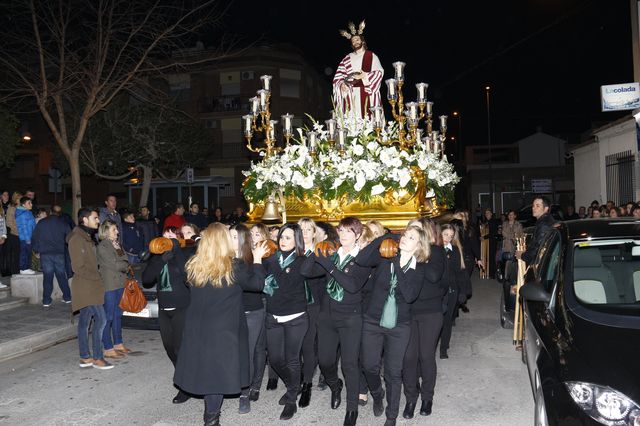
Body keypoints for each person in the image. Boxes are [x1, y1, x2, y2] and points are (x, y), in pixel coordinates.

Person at [173, 223, 266, 426]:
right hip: (223, 330)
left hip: (198, 327)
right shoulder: (235, 266)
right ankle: (211, 420)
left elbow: (187, 284)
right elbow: (258, 285)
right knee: (216, 375)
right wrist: (258, 260)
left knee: (206, 371)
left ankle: (211, 417)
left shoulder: (194, 264)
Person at [301, 217, 372, 426]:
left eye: (348, 232)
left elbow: (351, 285)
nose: (342, 235)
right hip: (326, 317)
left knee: (350, 364)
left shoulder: (363, 258)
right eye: (340, 231)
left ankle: (352, 409)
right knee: (325, 362)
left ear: (358, 235)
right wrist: (314, 252)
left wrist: (329, 267)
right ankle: (335, 384)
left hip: (351, 317)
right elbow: (305, 272)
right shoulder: (332, 255)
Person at [356, 226, 428, 426]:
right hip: (373, 320)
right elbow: (361, 260)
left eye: (411, 237)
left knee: (393, 372)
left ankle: (391, 416)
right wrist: (385, 237)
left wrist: (397, 262)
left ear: (418, 246)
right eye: (405, 235)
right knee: (369, 366)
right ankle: (377, 394)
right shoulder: (383, 257)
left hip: (399, 326)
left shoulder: (418, 268)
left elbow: (409, 294)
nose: (405, 238)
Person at [261, 223, 309, 421]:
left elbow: (285, 283)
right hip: (273, 316)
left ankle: (291, 401)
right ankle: (294, 386)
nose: (283, 240)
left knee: (292, 359)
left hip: (295, 317)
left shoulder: (301, 261)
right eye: (281, 236)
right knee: (275, 359)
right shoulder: (271, 258)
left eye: (288, 237)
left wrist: (268, 261)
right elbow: (258, 277)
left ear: (297, 240)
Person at [401, 221, 446, 419]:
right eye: (411, 228)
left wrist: (417, 258)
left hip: (430, 312)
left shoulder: (435, 252)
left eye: (418, 228)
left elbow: (435, 276)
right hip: (408, 312)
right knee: (409, 357)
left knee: (426, 356)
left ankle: (427, 397)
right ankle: (411, 398)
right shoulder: (401, 254)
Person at [142, 233, 192, 404]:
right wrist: (161, 260)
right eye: (166, 236)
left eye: (172, 237)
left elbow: (188, 276)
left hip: (181, 308)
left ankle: (184, 387)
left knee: (180, 349)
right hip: (164, 309)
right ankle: (184, 376)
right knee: (169, 348)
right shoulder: (158, 257)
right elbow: (147, 279)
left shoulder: (185, 254)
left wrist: (177, 253)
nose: (168, 240)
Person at [68, 208, 113, 370]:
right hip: (86, 286)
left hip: (91, 285)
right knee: (101, 319)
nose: (98, 221)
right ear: (84, 220)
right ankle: (98, 358)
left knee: (85, 321)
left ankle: (85, 357)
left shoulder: (87, 237)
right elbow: (78, 267)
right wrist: (97, 277)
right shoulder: (77, 239)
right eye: (95, 218)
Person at [230, 224, 264, 413]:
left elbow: (259, 285)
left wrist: (258, 260)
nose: (230, 240)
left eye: (234, 237)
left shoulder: (252, 259)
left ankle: (245, 393)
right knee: (235, 353)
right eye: (229, 236)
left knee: (248, 353)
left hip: (251, 312)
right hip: (231, 312)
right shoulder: (223, 259)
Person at [298, 218, 324, 408]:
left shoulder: (320, 252)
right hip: (293, 304)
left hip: (314, 304)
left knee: (308, 344)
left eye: (309, 229)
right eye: (301, 229)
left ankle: (307, 384)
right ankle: (297, 380)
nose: (305, 232)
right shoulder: (291, 251)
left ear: (314, 233)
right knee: (294, 347)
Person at [334, 20, 384, 120]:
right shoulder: (346, 59)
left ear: (362, 41)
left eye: (357, 40)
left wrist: (364, 76)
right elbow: (338, 77)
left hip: (367, 93)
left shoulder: (371, 56)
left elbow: (379, 72)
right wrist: (342, 85)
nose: (355, 42)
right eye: (353, 41)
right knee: (353, 122)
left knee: (369, 121)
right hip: (351, 94)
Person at [97, 220, 131, 360]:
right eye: (113, 230)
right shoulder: (102, 246)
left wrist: (123, 263)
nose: (117, 232)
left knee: (118, 315)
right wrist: (123, 264)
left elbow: (126, 260)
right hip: (109, 285)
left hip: (120, 283)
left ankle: (118, 343)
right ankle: (107, 347)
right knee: (108, 316)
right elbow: (115, 265)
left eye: (116, 229)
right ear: (105, 231)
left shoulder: (116, 244)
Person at [438, 223, 470, 360]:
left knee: (447, 321)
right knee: (436, 322)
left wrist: (462, 292)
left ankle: (444, 348)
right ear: (440, 234)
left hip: (452, 291)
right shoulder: (435, 249)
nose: (448, 239)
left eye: (451, 236)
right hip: (437, 292)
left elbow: (460, 273)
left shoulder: (455, 250)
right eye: (445, 235)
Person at [32, 207, 72, 306]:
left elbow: (34, 237)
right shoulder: (63, 223)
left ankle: (46, 300)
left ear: (50, 212)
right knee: (62, 276)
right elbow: (70, 237)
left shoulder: (42, 223)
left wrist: (37, 250)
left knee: (48, 277)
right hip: (59, 253)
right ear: (60, 213)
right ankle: (67, 297)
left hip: (45, 254)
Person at [516, 196, 556, 266]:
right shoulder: (543, 222)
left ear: (546, 209)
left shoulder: (544, 225)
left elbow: (538, 249)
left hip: (541, 265)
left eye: (537, 206)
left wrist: (522, 255)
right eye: (533, 206)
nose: (534, 208)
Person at [15, 196, 36, 274]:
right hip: (24, 238)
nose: (31, 204)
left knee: (28, 252)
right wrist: (27, 239)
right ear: (23, 205)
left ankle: (27, 267)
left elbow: (32, 225)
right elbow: (23, 227)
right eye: (29, 203)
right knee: (24, 253)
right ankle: (23, 268)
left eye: (31, 203)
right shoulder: (22, 214)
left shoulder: (29, 212)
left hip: (30, 236)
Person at [479, 209, 500, 279]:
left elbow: (493, 233)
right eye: (485, 213)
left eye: (488, 213)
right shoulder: (485, 222)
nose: (486, 214)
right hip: (486, 242)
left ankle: (492, 273)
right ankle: (486, 272)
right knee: (486, 257)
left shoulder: (493, 222)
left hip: (492, 242)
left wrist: (484, 237)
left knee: (491, 258)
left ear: (491, 214)